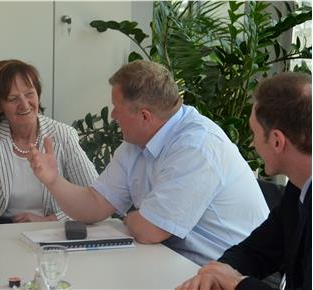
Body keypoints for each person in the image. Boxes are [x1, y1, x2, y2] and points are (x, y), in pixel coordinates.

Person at [28, 60, 269, 265]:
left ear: (144, 116)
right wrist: (53, 180)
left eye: (116, 108)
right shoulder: (136, 142)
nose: (112, 116)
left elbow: (149, 231)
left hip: (227, 272)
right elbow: (94, 205)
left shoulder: (197, 146)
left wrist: (130, 218)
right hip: (174, 262)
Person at [175, 72, 311, 290]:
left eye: (254, 132)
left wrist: (238, 284)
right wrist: (220, 271)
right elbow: (261, 249)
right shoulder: (299, 186)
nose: (253, 143)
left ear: (277, 141)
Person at [0, 59, 98, 224]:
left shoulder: (63, 135)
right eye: (13, 99)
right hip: (0, 230)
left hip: (53, 231)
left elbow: (95, 197)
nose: (24, 104)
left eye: (29, 94)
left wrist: (51, 220)